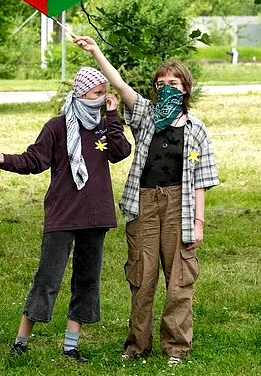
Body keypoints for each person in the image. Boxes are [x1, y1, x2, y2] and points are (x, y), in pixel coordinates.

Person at [73, 36, 219, 366]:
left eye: (174, 82)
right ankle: (137, 345)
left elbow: (203, 181)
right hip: (144, 203)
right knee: (141, 277)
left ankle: (177, 348)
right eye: (161, 82)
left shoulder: (197, 129)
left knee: (180, 279)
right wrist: (96, 51)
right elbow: (119, 84)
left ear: (185, 88)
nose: (167, 86)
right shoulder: (146, 116)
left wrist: (198, 222)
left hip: (180, 205)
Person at [0, 66, 131, 363]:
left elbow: (120, 152)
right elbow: (34, 160)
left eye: (104, 94)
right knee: (47, 279)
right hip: (63, 214)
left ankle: (71, 345)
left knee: (87, 281)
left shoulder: (104, 124)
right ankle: (21, 342)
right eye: (97, 93)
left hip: (96, 215)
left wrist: (112, 117)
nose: (102, 98)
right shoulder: (57, 126)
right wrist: (2, 159)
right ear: (80, 93)